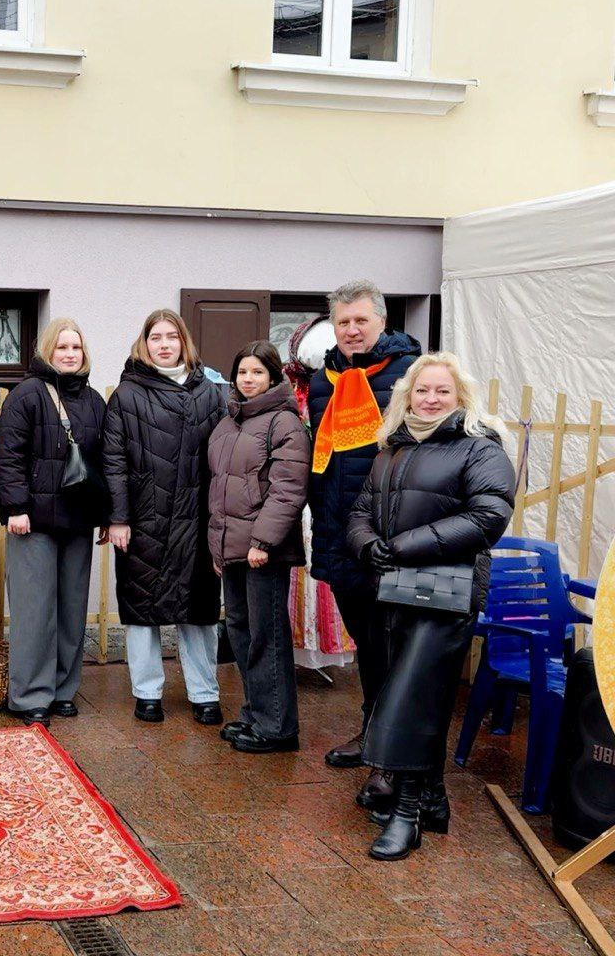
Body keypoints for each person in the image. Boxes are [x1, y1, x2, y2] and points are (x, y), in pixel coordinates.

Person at [345, 353, 514, 861]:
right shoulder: (392, 448)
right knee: (414, 695)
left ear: (460, 395)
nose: (431, 399)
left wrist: (404, 546)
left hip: (446, 595)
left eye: (442, 390)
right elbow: (360, 510)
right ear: (407, 395)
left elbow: (489, 516)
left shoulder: (480, 447)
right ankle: (434, 802)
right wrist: (367, 544)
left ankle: (408, 814)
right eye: (422, 390)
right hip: (393, 590)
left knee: (413, 700)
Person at [308, 280, 421, 806]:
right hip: (337, 533)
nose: (351, 330)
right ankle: (371, 730)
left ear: (381, 322)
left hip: (387, 539)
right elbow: (322, 457)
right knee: (368, 646)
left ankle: (392, 757)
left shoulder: (409, 376)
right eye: (343, 322)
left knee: (393, 647)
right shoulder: (324, 380)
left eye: (361, 321)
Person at [103, 309, 224, 724]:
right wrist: (118, 518)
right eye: (156, 337)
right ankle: (147, 692)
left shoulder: (211, 394)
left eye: (172, 336)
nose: (165, 344)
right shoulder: (127, 395)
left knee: (199, 612)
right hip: (144, 520)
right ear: (145, 343)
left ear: (183, 342)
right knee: (141, 610)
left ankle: (205, 693)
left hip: (198, 520)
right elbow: (114, 461)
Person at [0, 318, 108, 728]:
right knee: (34, 611)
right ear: (47, 351)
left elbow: (106, 462)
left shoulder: (94, 401)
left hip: (78, 520)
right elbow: (8, 455)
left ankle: (62, 690)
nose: (70, 354)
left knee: (71, 609)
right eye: (62, 347)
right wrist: (16, 507)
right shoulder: (26, 395)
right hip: (34, 521)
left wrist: (106, 515)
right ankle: (30, 695)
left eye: (76, 347)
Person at [207, 341, 310, 753]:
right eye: (243, 372)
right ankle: (255, 713)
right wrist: (218, 547)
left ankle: (278, 726)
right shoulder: (230, 421)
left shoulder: (284, 422)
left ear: (273, 376)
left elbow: (288, 488)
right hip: (232, 547)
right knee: (241, 631)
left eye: (257, 372)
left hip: (262, 550)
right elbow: (219, 487)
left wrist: (263, 540)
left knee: (267, 635)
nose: (248, 379)